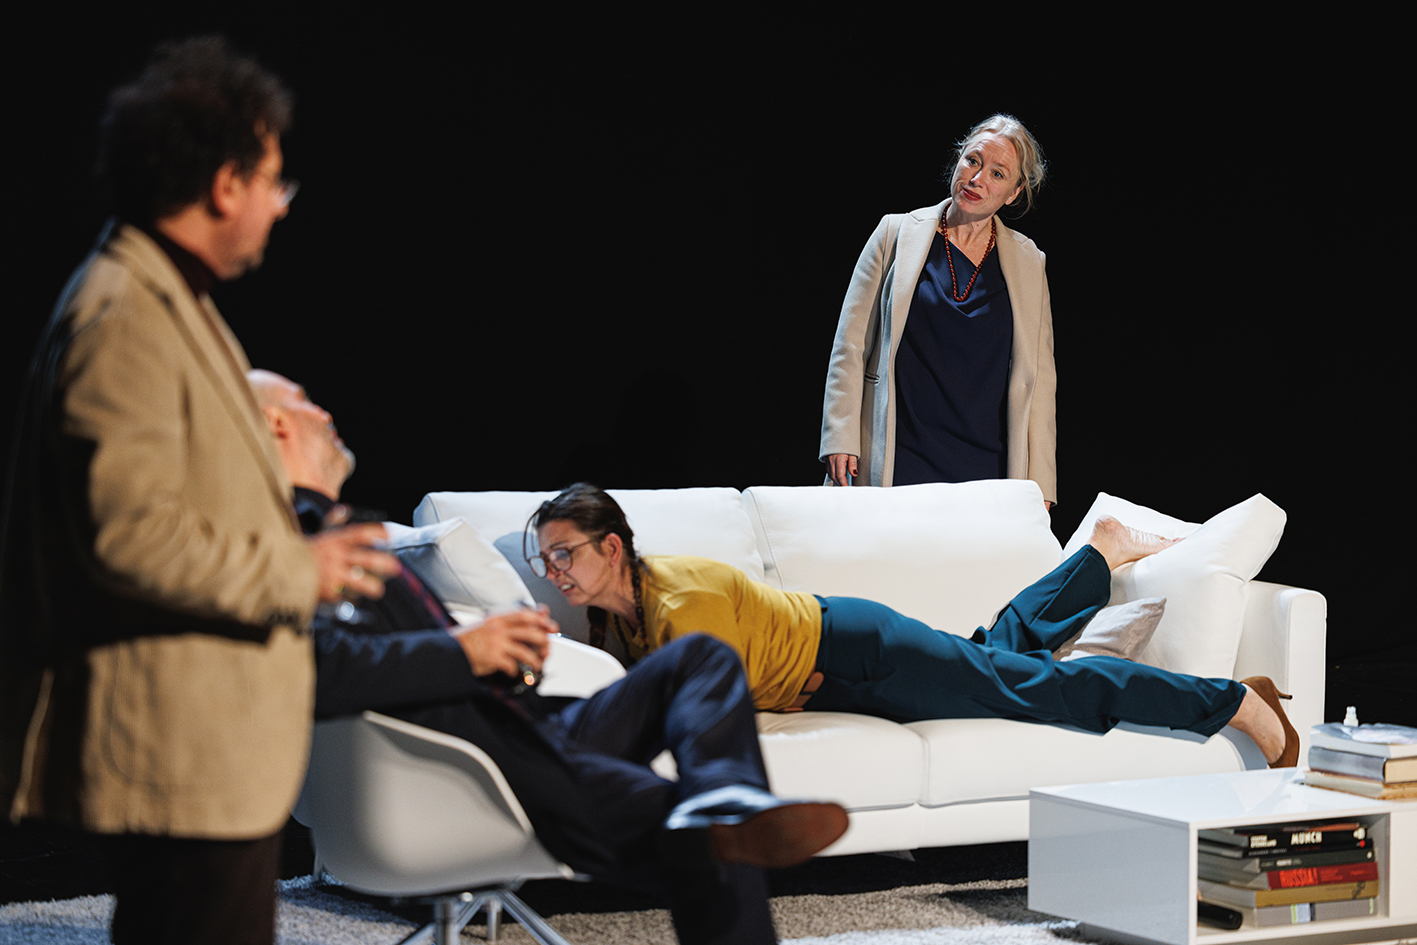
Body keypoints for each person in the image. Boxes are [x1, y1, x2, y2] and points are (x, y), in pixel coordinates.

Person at [0, 39, 399, 945]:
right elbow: (131, 535)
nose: (279, 204)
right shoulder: (126, 317)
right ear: (224, 185)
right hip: (179, 753)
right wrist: (301, 567)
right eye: (273, 180)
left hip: (211, 750)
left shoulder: (170, 301)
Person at [248, 370, 848, 945]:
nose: (323, 412)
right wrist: (465, 650)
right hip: (486, 764)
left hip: (527, 726)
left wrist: (501, 659)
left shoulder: (336, 530)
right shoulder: (292, 546)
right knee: (708, 839)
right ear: (276, 424)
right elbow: (320, 670)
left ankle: (722, 794)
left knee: (699, 658)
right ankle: (714, 817)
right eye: (303, 400)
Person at [527, 484, 1300, 769]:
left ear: (611, 547)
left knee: (1043, 689)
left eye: (564, 554)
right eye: (544, 558)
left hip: (862, 654)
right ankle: (1096, 554)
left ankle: (1229, 699)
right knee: (993, 660)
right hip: (845, 666)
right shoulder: (621, 618)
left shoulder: (677, 598)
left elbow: (709, 699)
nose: (553, 572)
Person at [820, 114, 1056, 505]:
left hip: (986, 468)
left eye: (997, 174)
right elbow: (850, 344)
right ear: (958, 160)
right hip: (899, 453)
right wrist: (840, 436)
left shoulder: (1030, 262)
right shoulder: (895, 234)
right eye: (973, 161)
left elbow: (1041, 380)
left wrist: (1041, 484)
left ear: (1014, 193)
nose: (977, 178)